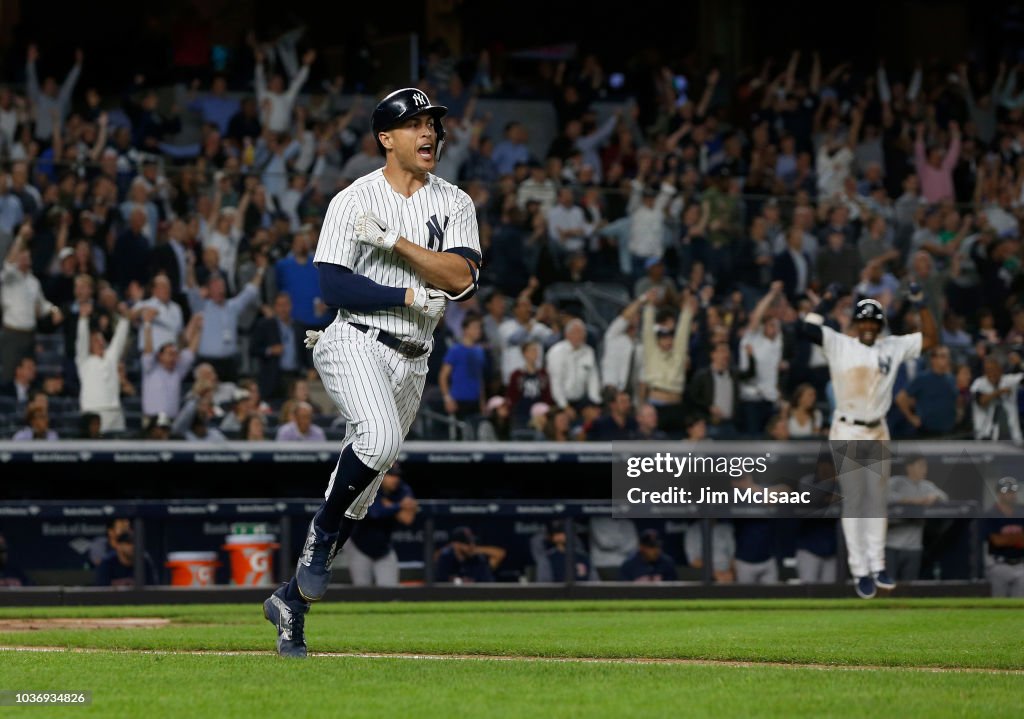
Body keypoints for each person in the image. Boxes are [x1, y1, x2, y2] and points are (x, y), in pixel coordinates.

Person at [265, 88, 480, 658]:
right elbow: (331, 287)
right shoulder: (352, 199)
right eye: (414, 124)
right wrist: (410, 289)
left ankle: (290, 604)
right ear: (386, 138)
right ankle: (319, 539)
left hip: (414, 358)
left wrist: (392, 243)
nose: (428, 132)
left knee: (361, 496)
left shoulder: (455, 201)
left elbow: (460, 277)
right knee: (379, 441)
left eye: (432, 122)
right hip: (354, 339)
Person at [800, 282, 938, 598]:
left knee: (876, 501)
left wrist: (922, 302)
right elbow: (807, 331)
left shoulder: (890, 346)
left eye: (873, 322)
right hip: (847, 428)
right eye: (863, 321)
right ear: (855, 323)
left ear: (879, 325)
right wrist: (825, 302)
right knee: (855, 499)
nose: (868, 326)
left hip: (877, 428)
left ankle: (878, 566)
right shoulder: (840, 344)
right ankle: (860, 570)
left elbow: (931, 339)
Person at [1, 222, 63, 382]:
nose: (24, 259)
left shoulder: (34, 282)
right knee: (8, 374)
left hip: (30, 334)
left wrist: (54, 310)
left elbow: (42, 305)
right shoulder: (9, 277)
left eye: (26, 256)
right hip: (11, 333)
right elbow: (8, 264)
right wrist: (21, 237)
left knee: (29, 375)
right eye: (21, 256)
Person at [346, 464, 418, 586]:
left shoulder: (403, 489)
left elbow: (407, 519)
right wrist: (399, 506)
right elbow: (375, 513)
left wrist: (388, 506)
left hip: (384, 549)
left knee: (390, 591)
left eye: (397, 476)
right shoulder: (369, 487)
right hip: (359, 546)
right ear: (381, 476)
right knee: (361, 591)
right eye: (390, 475)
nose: (395, 479)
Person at [886, 454, 948, 582]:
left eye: (925, 466)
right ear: (909, 467)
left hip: (914, 546)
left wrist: (934, 497)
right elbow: (885, 496)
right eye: (920, 466)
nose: (924, 470)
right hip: (891, 544)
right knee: (888, 584)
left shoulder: (926, 486)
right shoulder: (896, 482)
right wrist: (915, 501)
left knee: (910, 586)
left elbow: (944, 497)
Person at [641, 290, 696, 433]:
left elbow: (683, 333)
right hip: (656, 405)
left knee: (677, 451)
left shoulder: (678, 354)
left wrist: (687, 310)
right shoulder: (652, 353)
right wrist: (650, 306)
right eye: (663, 338)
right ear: (658, 340)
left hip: (676, 406)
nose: (667, 341)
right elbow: (647, 331)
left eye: (670, 338)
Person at [75, 300, 130, 433]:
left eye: (101, 340)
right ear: (90, 345)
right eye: (95, 340)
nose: (99, 343)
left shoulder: (110, 358)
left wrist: (125, 319)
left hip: (115, 410)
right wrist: (83, 319)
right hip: (94, 410)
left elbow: (119, 339)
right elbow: (81, 340)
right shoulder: (84, 361)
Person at [141, 311, 201, 419]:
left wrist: (200, 329)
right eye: (170, 354)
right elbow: (148, 350)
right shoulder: (150, 368)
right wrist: (147, 324)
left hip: (172, 420)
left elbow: (191, 351)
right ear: (160, 355)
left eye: (175, 354)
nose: (173, 357)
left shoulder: (178, 370)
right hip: (152, 420)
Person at [251, 292, 310, 400]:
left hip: (294, 376)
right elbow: (253, 349)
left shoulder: (299, 327)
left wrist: (310, 368)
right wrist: (269, 350)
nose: (283, 309)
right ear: (275, 307)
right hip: (273, 377)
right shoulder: (265, 325)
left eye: (286, 305)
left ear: (291, 306)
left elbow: (306, 351)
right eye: (280, 305)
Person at [894, 345, 958, 437]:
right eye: (943, 356)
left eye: (947, 356)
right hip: (927, 431)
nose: (947, 359)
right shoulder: (922, 378)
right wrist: (911, 418)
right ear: (933, 359)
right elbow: (900, 398)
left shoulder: (951, 378)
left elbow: (955, 400)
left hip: (949, 431)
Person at [439, 313, 487, 423]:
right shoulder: (455, 350)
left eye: (479, 327)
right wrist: (447, 399)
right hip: (458, 399)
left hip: (475, 400)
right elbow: (443, 376)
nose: (478, 330)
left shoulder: (479, 351)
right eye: (475, 327)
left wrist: (482, 401)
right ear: (465, 329)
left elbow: (479, 378)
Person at [546, 318, 601, 410]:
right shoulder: (557, 352)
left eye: (582, 333)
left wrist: (595, 402)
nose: (580, 336)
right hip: (558, 401)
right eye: (576, 332)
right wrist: (564, 406)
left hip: (581, 400)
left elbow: (593, 379)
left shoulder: (588, 352)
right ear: (567, 335)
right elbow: (556, 382)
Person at [984, 477, 1024, 597]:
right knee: (998, 604)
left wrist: (1008, 539)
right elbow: (996, 541)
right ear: (999, 494)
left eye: (1013, 491)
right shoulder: (991, 514)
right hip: (999, 565)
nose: (1011, 495)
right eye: (1007, 492)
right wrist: (1018, 538)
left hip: (1021, 565)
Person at [970, 357, 1023, 441]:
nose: (990, 373)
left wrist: (1020, 363)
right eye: (987, 370)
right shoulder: (979, 383)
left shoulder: (1009, 380)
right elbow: (981, 401)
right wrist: (998, 392)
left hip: (1013, 437)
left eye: (993, 369)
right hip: (985, 436)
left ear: (1000, 369)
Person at [435, 526, 505, 583]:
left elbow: (500, 553)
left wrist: (475, 550)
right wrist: (452, 546)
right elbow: (434, 560)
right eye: (468, 543)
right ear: (456, 544)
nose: (472, 546)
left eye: (473, 542)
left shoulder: (478, 559)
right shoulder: (447, 558)